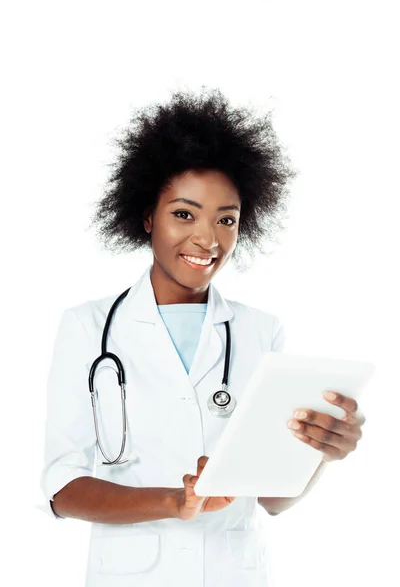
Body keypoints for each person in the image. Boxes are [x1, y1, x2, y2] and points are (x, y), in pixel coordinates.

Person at [40, 87, 365, 586]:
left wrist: (321, 451)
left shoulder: (261, 331)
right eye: (184, 214)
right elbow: (62, 488)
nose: (208, 240)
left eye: (226, 220)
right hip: (131, 575)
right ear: (148, 216)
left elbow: (275, 496)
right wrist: (174, 502)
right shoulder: (88, 326)